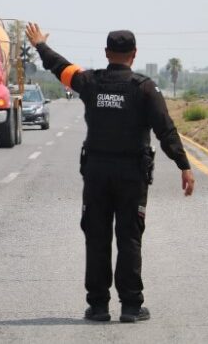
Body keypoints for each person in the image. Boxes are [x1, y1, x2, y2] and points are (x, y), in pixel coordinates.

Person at [25, 22, 195, 323]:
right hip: (132, 174)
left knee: (97, 237)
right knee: (129, 237)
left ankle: (99, 306)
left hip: (97, 173)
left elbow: (59, 66)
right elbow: (165, 130)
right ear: (134, 54)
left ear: (106, 53)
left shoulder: (89, 82)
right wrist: (184, 165)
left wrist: (40, 45)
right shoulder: (144, 88)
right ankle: (130, 307)